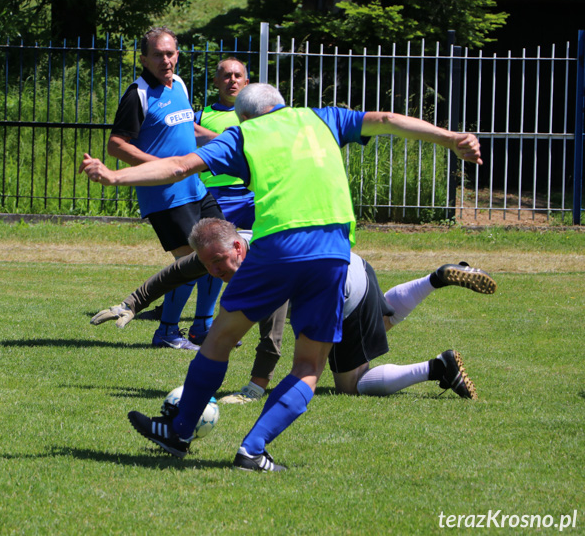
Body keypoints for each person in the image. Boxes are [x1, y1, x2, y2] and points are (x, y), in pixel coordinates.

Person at [81, 83, 482, 472]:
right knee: (309, 366)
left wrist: (116, 177)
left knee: (220, 338)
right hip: (333, 252)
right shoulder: (323, 119)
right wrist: (449, 139)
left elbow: (179, 165)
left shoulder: (243, 135)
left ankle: (179, 431)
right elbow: (387, 119)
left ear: (243, 115)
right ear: (283, 104)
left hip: (277, 248)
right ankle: (252, 451)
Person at [90, 217, 496, 403]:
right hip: (356, 270)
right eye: (210, 266)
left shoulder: (263, 262)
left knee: (350, 383)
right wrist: (131, 303)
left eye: (219, 264)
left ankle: (439, 367)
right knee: (380, 323)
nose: (215, 272)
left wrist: (256, 385)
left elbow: (274, 326)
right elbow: (178, 272)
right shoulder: (225, 243)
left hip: (340, 289)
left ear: (238, 248)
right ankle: (437, 278)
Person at [107, 26, 224, 351]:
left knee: (223, 248)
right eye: (158, 54)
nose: (166, 59)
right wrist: (153, 165)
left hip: (195, 188)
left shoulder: (180, 85)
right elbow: (116, 145)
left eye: (170, 53)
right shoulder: (138, 94)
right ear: (144, 58)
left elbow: (187, 126)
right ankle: (168, 332)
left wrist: (223, 141)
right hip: (165, 195)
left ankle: (202, 327)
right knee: (191, 261)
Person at [195, 58, 255, 230]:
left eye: (238, 76)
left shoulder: (257, 115)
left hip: (252, 191)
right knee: (216, 249)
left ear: (246, 82)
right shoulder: (200, 117)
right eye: (227, 76)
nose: (233, 80)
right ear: (216, 81)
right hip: (215, 193)